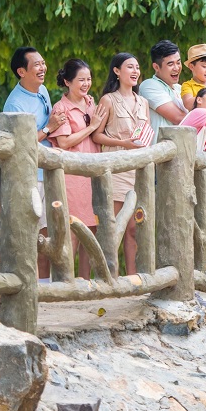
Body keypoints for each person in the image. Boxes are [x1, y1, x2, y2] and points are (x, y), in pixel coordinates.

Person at [3, 46, 64, 281]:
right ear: (21, 71)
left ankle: (45, 285)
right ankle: (28, 285)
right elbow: (19, 143)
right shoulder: (15, 105)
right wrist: (49, 127)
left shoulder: (43, 91)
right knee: (30, 234)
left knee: (47, 234)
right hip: (28, 177)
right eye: (36, 65)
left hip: (46, 172)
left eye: (43, 63)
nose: (43, 68)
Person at [48, 59, 108, 280]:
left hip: (92, 174)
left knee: (91, 230)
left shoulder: (91, 103)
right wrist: (91, 127)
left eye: (89, 79)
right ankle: (65, 282)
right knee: (72, 228)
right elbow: (64, 142)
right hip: (72, 176)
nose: (86, 84)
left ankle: (84, 282)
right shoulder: (61, 108)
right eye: (81, 80)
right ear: (67, 81)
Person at [92, 53, 150, 275]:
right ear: (117, 71)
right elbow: (97, 136)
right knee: (113, 226)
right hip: (116, 169)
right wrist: (123, 143)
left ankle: (133, 279)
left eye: (137, 67)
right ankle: (109, 277)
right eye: (130, 67)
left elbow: (146, 135)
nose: (135, 71)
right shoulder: (108, 100)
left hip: (138, 170)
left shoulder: (143, 102)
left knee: (135, 229)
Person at [138, 40, 188, 136]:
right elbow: (179, 118)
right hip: (160, 150)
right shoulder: (149, 85)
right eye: (170, 64)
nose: (176, 68)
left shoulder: (180, 88)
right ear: (156, 67)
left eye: (178, 62)